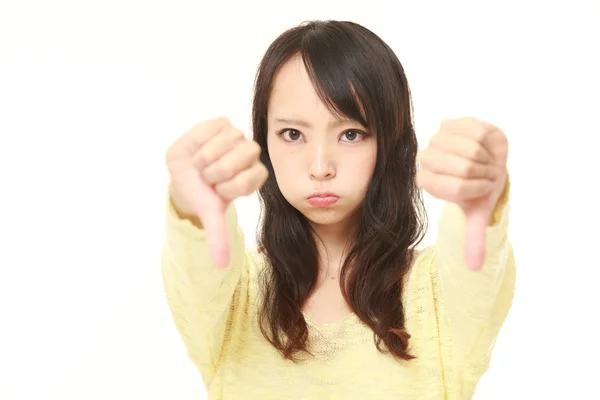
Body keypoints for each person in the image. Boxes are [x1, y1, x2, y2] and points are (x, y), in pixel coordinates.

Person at [162, 20, 515, 400]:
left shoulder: (434, 294)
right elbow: (194, 267)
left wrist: (483, 197)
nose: (320, 166)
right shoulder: (235, 295)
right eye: (292, 134)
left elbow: (476, 269)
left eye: (350, 134)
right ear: (264, 143)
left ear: (390, 142)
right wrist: (189, 204)